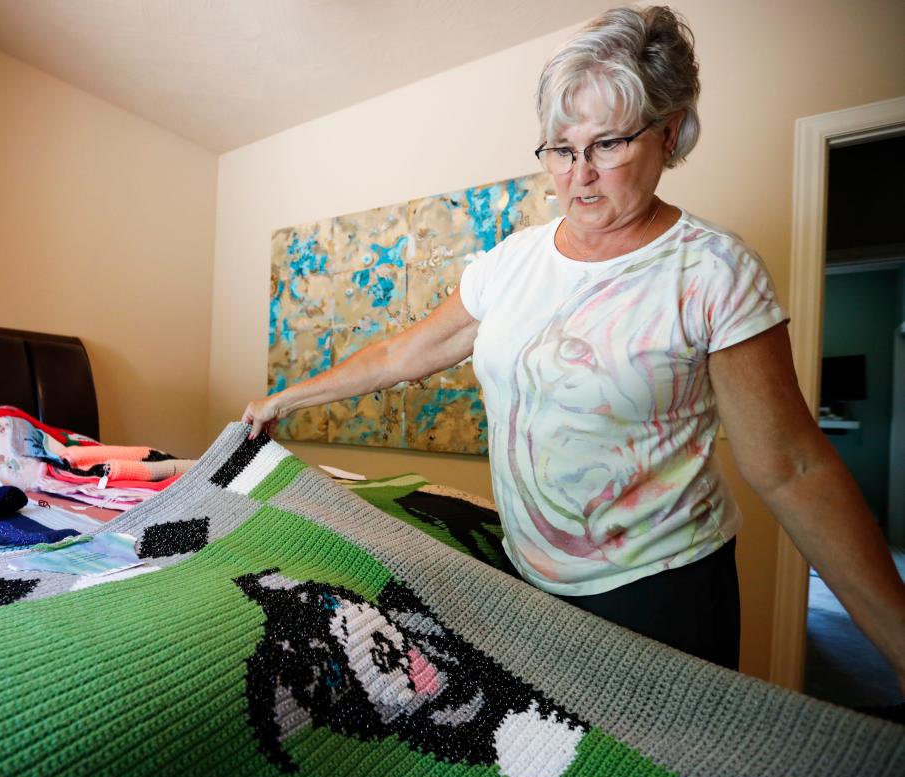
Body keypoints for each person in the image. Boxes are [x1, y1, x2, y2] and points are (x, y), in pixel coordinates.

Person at [242, 6, 905, 682]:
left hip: (663, 592)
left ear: (669, 133)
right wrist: (284, 399)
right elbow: (399, 355)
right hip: (530, 574)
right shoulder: (510, 263)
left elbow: (791, 468)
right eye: (560, 148)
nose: (578, 173)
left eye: (608, 144)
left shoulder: (713, 269)